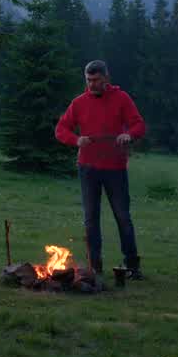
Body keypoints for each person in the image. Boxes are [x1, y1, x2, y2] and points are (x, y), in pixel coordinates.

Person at [54, 59, 147, 279]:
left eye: (96, 80)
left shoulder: (121, 98)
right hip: (88, 169)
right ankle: (95, 267)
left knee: (122, 216)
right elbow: (61, 129)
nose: (92, 84)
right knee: (91, 219)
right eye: (88, 80)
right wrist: (76, 140)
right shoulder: (79, 103)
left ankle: (132, 266)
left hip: (115, 168)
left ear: (106, 78)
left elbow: (139, 124)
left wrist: (129, 135)